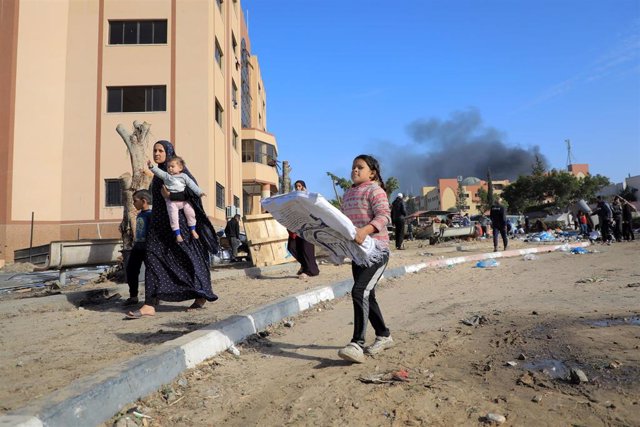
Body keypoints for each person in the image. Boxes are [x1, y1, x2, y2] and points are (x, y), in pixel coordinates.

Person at [126, 140, 219, 319]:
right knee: (152, 259)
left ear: (169, 152)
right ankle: (149, 304)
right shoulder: (158, 174)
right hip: (159, 226)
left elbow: (193, 194)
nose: (157, 153)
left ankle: (201, 294)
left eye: (161, 150)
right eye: (155, 150)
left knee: (189, 258)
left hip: (180, 226)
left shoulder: (181, 172)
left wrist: (172, 195)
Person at [337, 154, 393, 363]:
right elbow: (343, 222)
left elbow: (384, 215)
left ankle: (356, 344)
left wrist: (365, 230)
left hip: (377, 251)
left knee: (359, 291)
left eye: (360, 167)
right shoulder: (348, 194)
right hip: (358, 254)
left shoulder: (375, 190)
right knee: (367, 295)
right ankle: (384, 335)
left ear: (372, 172)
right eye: (353, 167)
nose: (354, 170)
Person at [147, 157, 205, 243]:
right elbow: (159, 172)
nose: (170, 168)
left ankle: (193, 229)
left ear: (180, 168)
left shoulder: (184, 176)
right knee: (173, 217)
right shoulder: (166, 176)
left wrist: (200, 192)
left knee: (191, 213)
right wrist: (151, 166)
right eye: (168, 167)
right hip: (171, 202)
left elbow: (192, 185)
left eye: (172, 166)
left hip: (184, 201)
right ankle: (177, 234)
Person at [124, 189, 153, 306]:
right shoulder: (140, 214)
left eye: (135, 201)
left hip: (147, 247)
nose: (134, 204)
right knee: (131, 269)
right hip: (137, 246)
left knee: (150, 273)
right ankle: (133, 296)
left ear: (144, 201)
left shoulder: (151, 215)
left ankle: (152, 297)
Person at [286, 180, 320, 279]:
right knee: (291, 247)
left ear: (304, 187)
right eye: (296, 186)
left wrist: (306, 194)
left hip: (306, 227)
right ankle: (305, 266)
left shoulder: (308, 197)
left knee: (306, 249)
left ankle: (310, 271)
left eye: (300, 186)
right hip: (295, 228)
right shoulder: (293, 198)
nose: (297, 188)